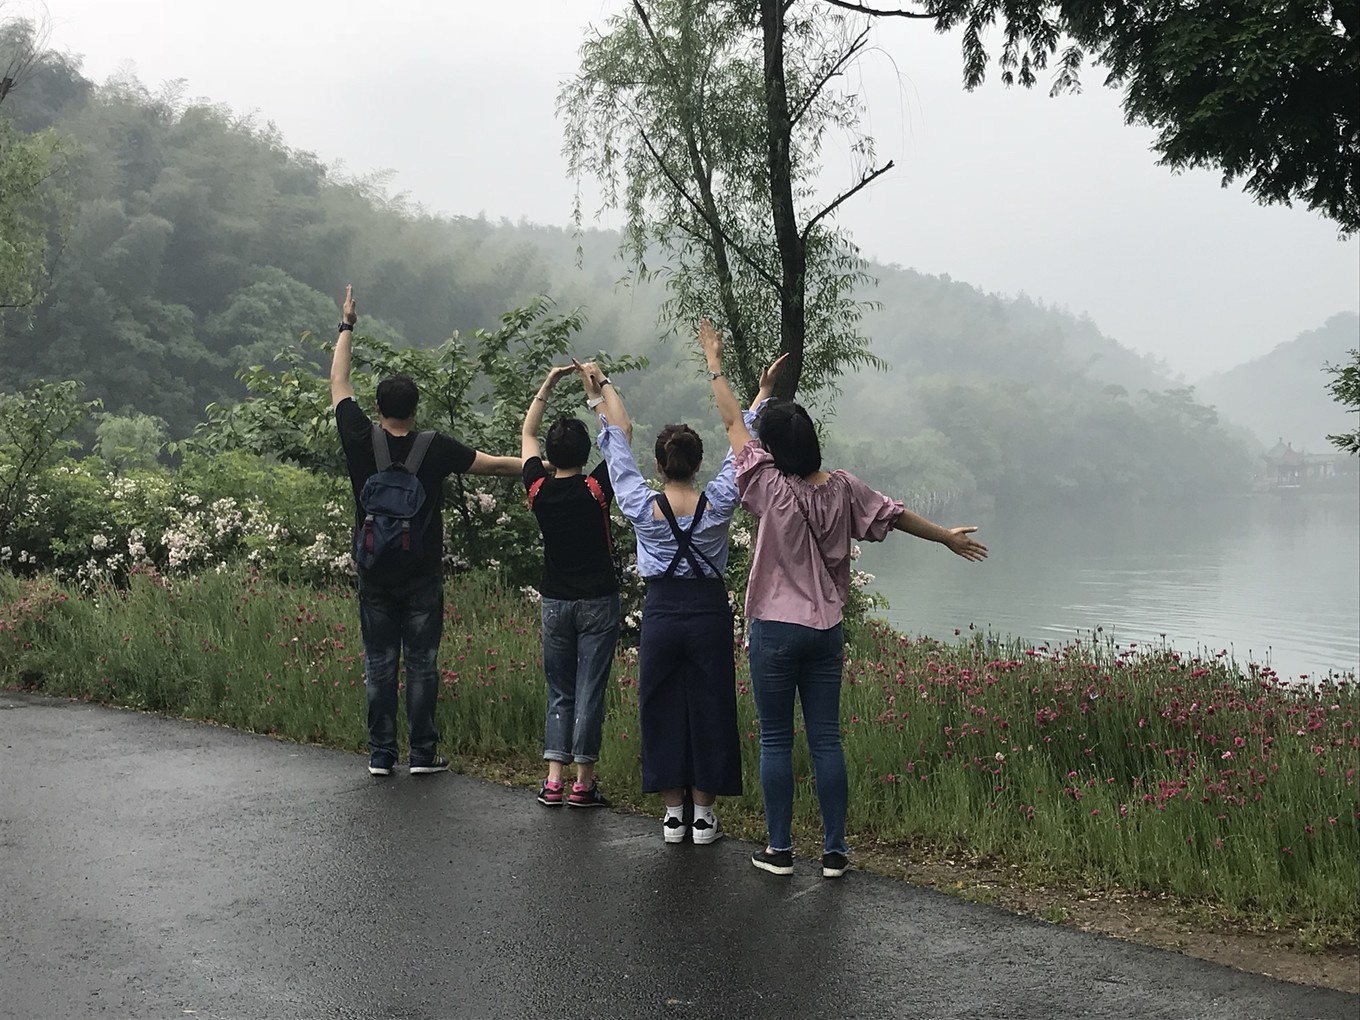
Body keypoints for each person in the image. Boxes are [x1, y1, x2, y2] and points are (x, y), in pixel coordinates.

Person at [698, 319, 988, 879]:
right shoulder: (845, 487)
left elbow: (734, 422)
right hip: (826, 629)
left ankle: (780, 850)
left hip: (775, 629)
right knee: (826, 739)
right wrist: (946, 537)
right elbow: (895, 515)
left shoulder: (765, 483)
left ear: (771, 449)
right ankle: (834, 852)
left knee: (776, 739)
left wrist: (716, 362)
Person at [330, 285, 523, 777]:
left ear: (378, 408)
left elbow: (338, 382)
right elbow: (493, 466)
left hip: (374, 572)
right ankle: (421, 754)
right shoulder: (434, 448)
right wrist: (541, 467)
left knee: (379, 663)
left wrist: (347, 323)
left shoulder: (359, 437)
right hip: (421, 575)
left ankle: (380, 754)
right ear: (415, 410)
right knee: (421, 663)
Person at [588, 359, 777, 845]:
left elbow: (616, 451)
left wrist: (599, 394)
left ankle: (674, 815)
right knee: (712, 705)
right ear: (697, 464)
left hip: (661, 611)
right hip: (708, 611)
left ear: (659, 466)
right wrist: (760, 395)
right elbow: (743, 448)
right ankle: (704, 816)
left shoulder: (640, 504)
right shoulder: (719, 500)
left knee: (659, 704)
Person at [520, 362, 621, 808]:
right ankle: (584, 783)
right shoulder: (596, 488)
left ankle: (553, 780)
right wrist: (598, 389)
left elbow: (527, 433)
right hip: (598, 598)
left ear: (550, 454)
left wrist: (547, 383)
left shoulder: (538, 490)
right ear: (585, 452)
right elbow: (622, 435)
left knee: (559, 689)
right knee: (589, 690)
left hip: (555, 601)